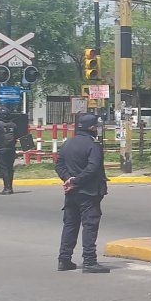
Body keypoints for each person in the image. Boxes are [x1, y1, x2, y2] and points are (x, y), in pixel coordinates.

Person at [55, 113, 110, 272]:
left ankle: (64, 259)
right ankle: (89, 260)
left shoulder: (68, 143)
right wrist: (75, 181)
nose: (98, 129)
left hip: (71, 192)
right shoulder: (94, 145)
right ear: (91, 128)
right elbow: (93, 168)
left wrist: (68, 179)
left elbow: (59, 165)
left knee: (70, 225)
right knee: (90, 225)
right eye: (96, 127)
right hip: (89, 192)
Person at [0, 106, 18, 195]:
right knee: (10, 168)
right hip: (11, 149)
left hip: (1, 149)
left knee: (4, 169)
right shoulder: (13, 125)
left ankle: (6, 188)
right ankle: (10, 188)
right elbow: (16, 136)